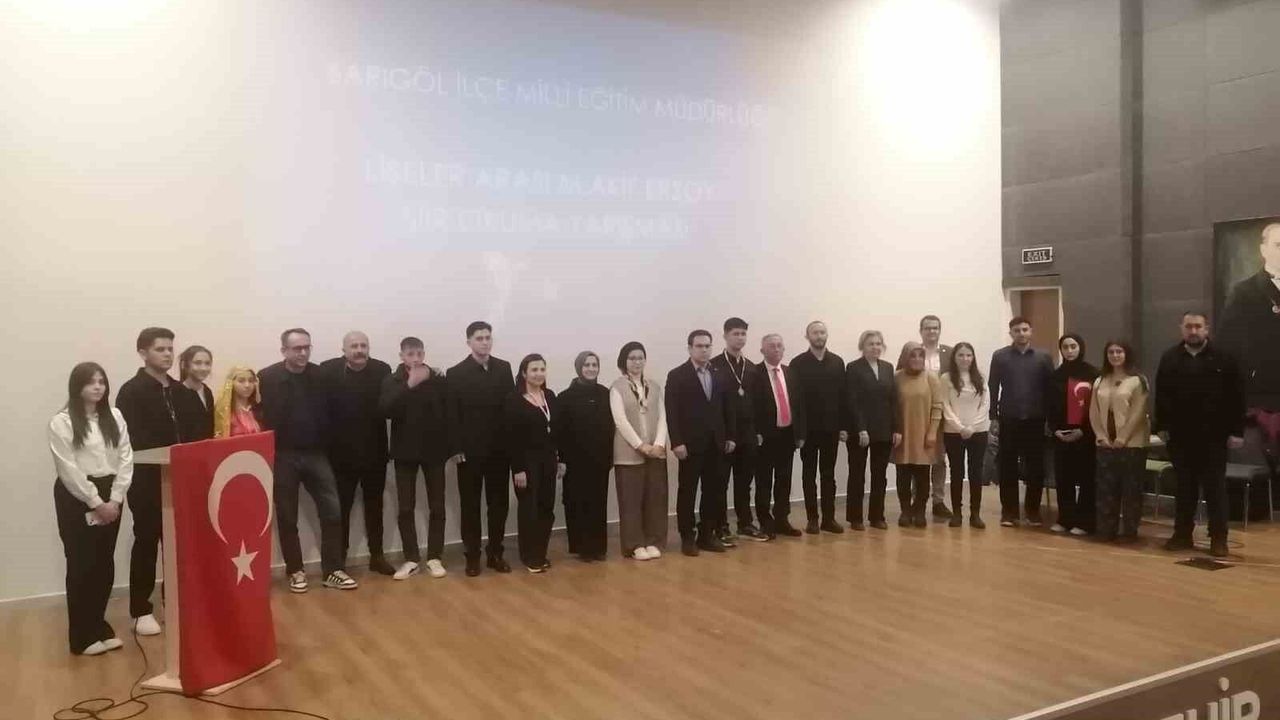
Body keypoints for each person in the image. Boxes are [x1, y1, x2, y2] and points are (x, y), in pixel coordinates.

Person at [259, 328, 357, 592]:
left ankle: (333, 570)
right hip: (282, 456)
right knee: (287, 516)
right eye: (297, 348)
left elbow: (336, 408)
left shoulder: (321, 375)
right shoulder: (267, 378)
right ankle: (296, 571)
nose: (303, 353)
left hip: (316, 454)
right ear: (284, 351)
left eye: (306, 347)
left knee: (333, 511)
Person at [49, 363, 133, 655]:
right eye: (91, 382)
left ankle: (98, 625)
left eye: (102, 382)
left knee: (104, 563)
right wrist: (96, 502)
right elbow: (68, 469)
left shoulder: (115, 416)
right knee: (81, 564)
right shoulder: (62, 422)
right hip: (78, 497)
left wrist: (116, 498)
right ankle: (81, 636)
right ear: (77, 386)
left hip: (112, 493)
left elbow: (126, 457)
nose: (98, 387)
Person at [1154, 313, 1246, 558]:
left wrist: (1237, 431)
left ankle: (1218, 538)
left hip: (1214, 437)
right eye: (1189, 326)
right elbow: (1161, 394)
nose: (1193, 331)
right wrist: (1160, 426)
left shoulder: (1225, 358)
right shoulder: (1170, 358)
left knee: (1215, 490)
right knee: (1184, 488)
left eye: (1198, 326)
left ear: (1206, 329)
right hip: (1180, 437)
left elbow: (1237, 396)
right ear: (1181, 329)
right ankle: (1182, 535)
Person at [115, 327, 183, 637]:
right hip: (146, 480)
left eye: (170, 348)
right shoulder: (131, 391)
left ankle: (175, 601)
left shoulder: (179, 390)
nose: (167, 354)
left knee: (177, 543)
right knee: (146, 540)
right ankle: (141, 610)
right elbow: (129, 441)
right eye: (160, 349)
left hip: (180, 478)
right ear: (143, 353)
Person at [320, 331, 393, 576]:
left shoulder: (382, 370)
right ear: (344, 350)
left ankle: (377, 556)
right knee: (341, 510)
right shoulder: (328, 371)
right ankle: (338, 560)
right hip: (340, 457)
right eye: (354, 346)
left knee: (375, 508)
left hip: (375, 454)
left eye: (363, 345)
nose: (359, 350)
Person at [380, 337, 451, 580]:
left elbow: (447, 411)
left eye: (419, 353)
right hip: (404, 452)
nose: (416, 358)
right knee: (405, 507)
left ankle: (434, 557)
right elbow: (385, 410)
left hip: (434, 451)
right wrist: (409, 384)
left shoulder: (436, 378)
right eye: (410, 354)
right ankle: (411, 558)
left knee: (437, 506)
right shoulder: (392, 380)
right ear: (402, 356)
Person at [447, 321, 515, 576]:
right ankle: (472, 556)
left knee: (498, 505)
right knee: (470, 506)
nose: (485, 342)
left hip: (499, 450)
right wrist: (455, 447)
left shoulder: (503, 368)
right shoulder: (456, 373)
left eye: (488, 337)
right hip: (469, 452)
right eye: (479, 338)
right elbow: (451, 414)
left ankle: (495, 553)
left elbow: (510, 408)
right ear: (469, 342)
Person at [666, 330, 737, 556]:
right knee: (687, 491)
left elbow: (728, 408)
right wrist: (676, 442)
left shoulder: (720, 374)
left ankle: (706, 534)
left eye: (707, 346)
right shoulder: (677, 375)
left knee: (713, 491)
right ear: (690, 348)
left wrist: (730, 436)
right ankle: (687, 537)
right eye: (699, 346)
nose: (704, 350)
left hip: (716, 443)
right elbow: (671, 412)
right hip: (689, 445)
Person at [1218, 223, 1280, 463]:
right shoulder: (1244, 292)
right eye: (1278, 245)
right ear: (1263, 250)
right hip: (1262, 401)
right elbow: (1228, 347)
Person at [989, 316, 1054, 528]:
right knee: (1007, 467)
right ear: (1011, 333)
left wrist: (1050, 418)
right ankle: (1009, 512)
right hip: (1009, 418)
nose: (1021, 333)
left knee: (1035, 467)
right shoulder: (1000, 356)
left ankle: (1033, 511)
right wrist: (993, 416)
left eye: (1025, 329)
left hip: (1036, 419)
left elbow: (1051, 390)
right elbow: (993, 387)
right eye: (1017, 330)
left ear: (1031, 331)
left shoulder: (1043, 357)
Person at [609, 342, 669, 561]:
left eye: (640, 358)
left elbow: (663, 416)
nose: (637, 362)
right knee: (631, 501)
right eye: (632, 358)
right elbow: (620, 421)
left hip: (655, 452)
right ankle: (634, 544)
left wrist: (659, 444)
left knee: (655, 499)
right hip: (629, 453)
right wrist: (640, 445)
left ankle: (654, 540)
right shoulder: (617, 388)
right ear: (624, 362)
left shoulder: (654, 386)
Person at [555, 351, 615, 561]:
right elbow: (560, 432)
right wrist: (561, 459)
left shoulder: (605, 394)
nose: (591, 369)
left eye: (594, 365)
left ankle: (598, 548)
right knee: (577, 503)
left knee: (598, 503)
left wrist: (609, 456)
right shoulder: (565, 397)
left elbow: (611, 427)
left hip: (600, 460)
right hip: (575, 462)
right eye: (586, 365)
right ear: (578, 368)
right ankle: (582, 548)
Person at [506, 355, 563, 573]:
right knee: (529, 509)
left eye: (542, 369)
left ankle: (540, 553)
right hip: (527, 462)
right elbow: (511, 437)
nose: (539, 374)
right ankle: (529, 556)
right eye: (534, 370)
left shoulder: (550, 396)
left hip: (548, 459)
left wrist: (559, 458)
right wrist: (518, 469)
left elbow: (557, 431)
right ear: (524, 373)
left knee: (546, 507)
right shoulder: (514, 399)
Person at [1090, 340, 1151, 543]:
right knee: (1106, 489)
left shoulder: (1137, 381)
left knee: (1131, 490)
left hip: (1132, 444)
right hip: (1105, 444)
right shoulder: (1099, 380)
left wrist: (1123, 437)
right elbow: (1094, 411)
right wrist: (1100, 435)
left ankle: (1129, 532)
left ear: (1127, 354)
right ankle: (1106, 530)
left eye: (1119, 351)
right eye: (1111, 352)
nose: (1115, 355)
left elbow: (1138, 412)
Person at [790, 321, 847, 534]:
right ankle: (812, 519)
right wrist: (799, 432)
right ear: (808, 336)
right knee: (808, 475)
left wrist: (843, 427)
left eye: (822, 332)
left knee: (828, 475)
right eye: (815, 332)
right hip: (808, 431)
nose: (819, 336)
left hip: (831, 429)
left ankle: (829, 519)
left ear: (827, 335)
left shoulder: (837, 362)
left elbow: (843, 397)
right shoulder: (798, 363)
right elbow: (795, 401)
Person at [896, 315, 954, 519]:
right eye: (928, 328)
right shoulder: (911, 351)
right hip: (912, 419)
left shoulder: (949, 353)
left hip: (941, 416)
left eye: (935, 328)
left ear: (940, 330)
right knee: (913, 462)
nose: (932, 331)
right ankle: (913, 504)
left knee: (938, 460)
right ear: (921, 331)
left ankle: (938, 500)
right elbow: (899, 384)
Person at [710, 317, 761, 542]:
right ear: (725, 336)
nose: (740, 338)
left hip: (747, 433)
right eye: (735, 334)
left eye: (743, 334)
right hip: (724, 434)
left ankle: (745, 523)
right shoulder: (714, 365)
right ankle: (720, 525)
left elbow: (757, 402)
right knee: (720, 482)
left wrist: (757, 431)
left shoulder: (751, 367)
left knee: (744, 482)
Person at [751, 333, 806, 538]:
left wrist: (800, 433)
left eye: (779, 346)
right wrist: (755, 432)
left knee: (784, 479)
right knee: (764, 480)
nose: (776, 349)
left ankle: (782, 519)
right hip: (765, 437)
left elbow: (799, 405)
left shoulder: (790, 372)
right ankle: (765, 521)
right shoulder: (754, 374)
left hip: (787, 434)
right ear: (762, 350)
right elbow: (750, 407)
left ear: (783, 349)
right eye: (771, 346)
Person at [1046, 333, 1098, 536]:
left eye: (1073, 346)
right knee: (1063, 479)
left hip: (1085, 436)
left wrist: (1083, 430)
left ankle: (1085, 522)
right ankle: (1065, 519)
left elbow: (1097, 407)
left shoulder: (1093, 374)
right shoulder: (1055, 375)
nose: (1069, 351)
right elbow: (1050, 406)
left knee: (1086, 479)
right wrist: (1055, 430)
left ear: (1080, 348)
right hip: (1062, 435)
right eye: (1065, 347)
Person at [845, 330, 897, 530]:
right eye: (870, 344)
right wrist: (861, 429)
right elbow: (852, 401)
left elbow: (892, 401)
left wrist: (896, 428)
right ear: (862, 347)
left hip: (883, 429)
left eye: (878, 344)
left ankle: (877, 516)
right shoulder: (853, 368)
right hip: (860, 431)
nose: (875, 347)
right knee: (857, 474)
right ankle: (855, 518)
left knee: (879, 476)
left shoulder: (887, 367)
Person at [893, 343, 944, 527]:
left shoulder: (931, 378)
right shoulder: (896, 378)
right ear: (905, 357)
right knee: (903, 476)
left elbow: (937, 407)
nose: (916, 359)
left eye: (920, 356)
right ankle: (906, 511)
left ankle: (920, 510)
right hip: (902, 435)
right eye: (912, 356)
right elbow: (891, 406)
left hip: (924, 435)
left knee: (922, 476)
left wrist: (932, 432)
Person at [940, 342, 990, 528]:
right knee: (957, 472)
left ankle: (975, 514)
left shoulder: (980, 377)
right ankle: (957, 513)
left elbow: (985, 404)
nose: (965, 359)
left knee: (975, 472)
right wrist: (960, 427)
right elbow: (945, 405)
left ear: (973, 357)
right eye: (961, 355)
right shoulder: (946, 378)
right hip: (954, 432)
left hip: (978, 431)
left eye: (968, 355)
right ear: (954, 358)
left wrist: (972, 427)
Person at [174, 345, 215, 442]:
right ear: (184, 365)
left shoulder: (207, 391)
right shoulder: (176, 393)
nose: (203, 368)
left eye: (207, 363)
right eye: (198, 363)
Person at [213, 366, 263, 437]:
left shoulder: (258, 408)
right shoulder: (224, 411)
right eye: (241, 381)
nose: (247, 385)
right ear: (231, 383)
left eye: (251, 381)